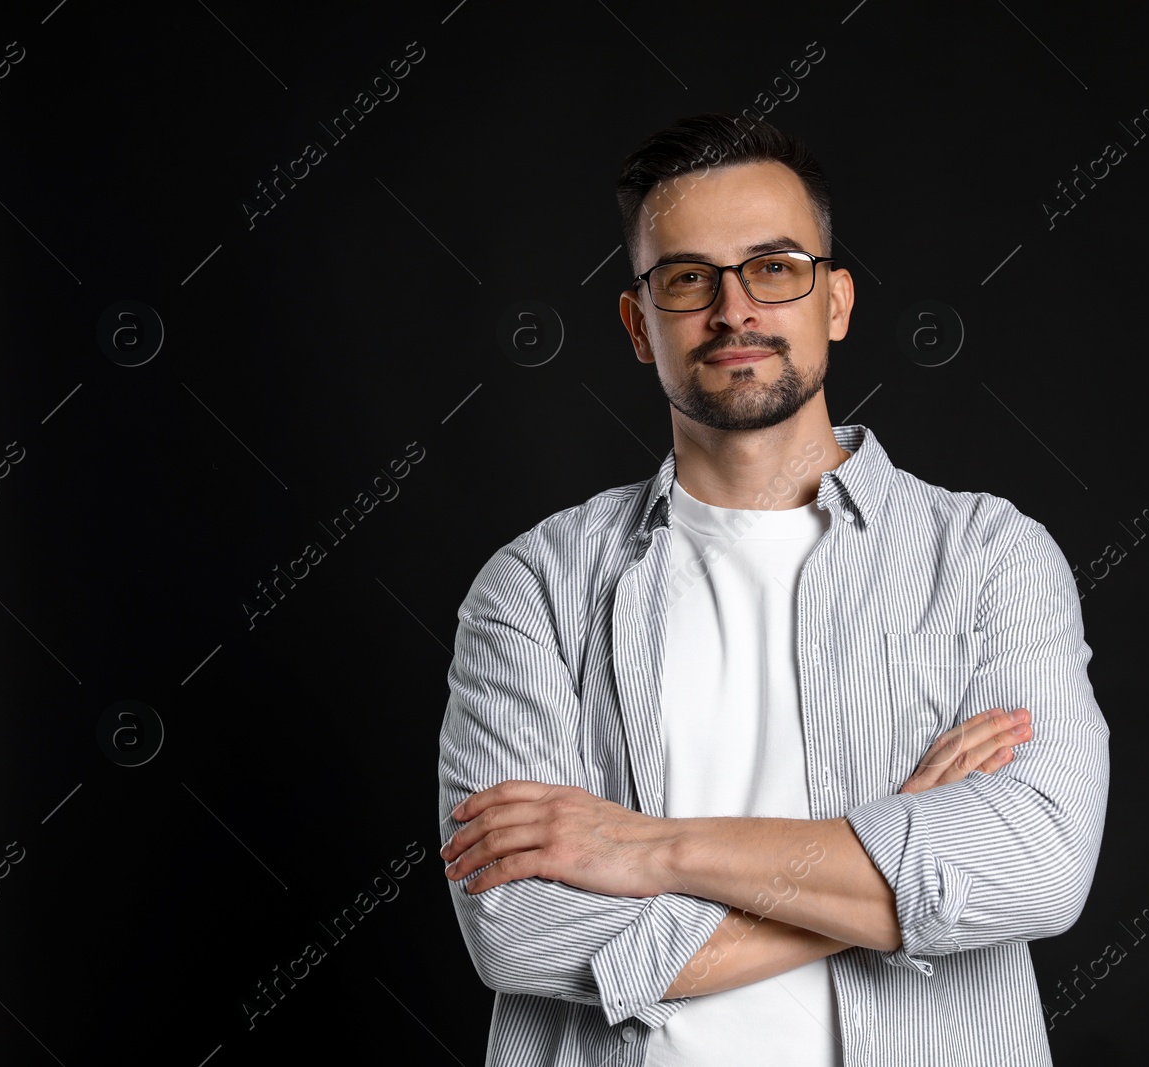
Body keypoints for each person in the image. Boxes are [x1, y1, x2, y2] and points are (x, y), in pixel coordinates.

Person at [437, 112, 1111, 1066]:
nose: (733, 310)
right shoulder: (536, 586)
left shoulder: (987, 557)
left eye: (774, 267)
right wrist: (889, 865)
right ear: (639, 325)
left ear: (834, 302)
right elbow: (521, 931)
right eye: (687, 278)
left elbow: (1036, 867)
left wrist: (650, 848)